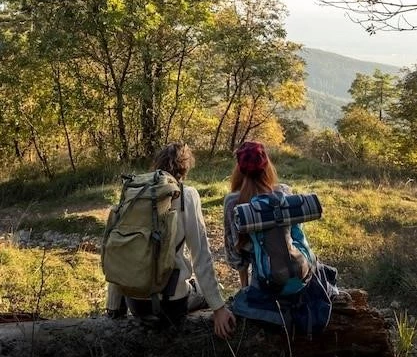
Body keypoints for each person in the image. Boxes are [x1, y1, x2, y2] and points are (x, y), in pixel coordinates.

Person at [106, 141, 236, 339]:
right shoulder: (187, 195)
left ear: (157, 164)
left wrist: (114, 307)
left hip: (136, 303)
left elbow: (119, 251)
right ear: (185, 168)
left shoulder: (134, 192)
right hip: (170, 305)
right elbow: (200, 255)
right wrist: (218, 309)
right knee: (200, 289)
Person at [223, 140, 338, 327]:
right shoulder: (284, 192)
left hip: (267, 282)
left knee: (242, 302)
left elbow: (236, 257)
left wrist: (245, 288)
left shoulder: (233, 203)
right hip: (302, 273)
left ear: (239, 168)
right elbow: (297, 236)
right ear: (267, 165)